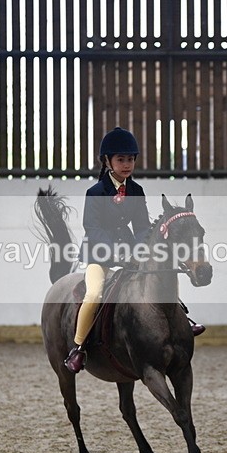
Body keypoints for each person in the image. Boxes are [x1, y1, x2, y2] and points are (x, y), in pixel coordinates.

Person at [64, 127, 205, 373]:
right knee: (94, 293)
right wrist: (118, 253)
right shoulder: (95, 192)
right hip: (100, 256)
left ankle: (181, 321)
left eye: (130, 159)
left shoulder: (136, 191)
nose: (127, 164)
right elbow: (92, 229)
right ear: (107, 162)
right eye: (121, 159)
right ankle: (78, 347)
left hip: (131, 253)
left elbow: (141, 227)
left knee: (161, 274)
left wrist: (141, 249)